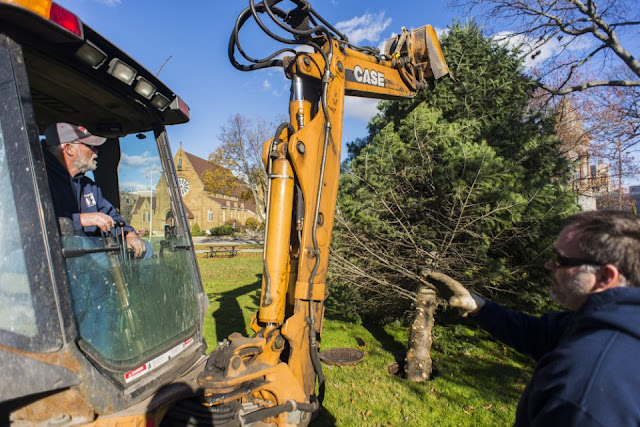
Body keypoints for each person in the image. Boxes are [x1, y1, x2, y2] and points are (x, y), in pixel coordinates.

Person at [426, 210, 640, 426]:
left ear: (605, 276)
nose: (548, 265)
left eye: (559, 260)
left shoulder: (584, 388)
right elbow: (538, 333)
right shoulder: (612, 321)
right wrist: (479, 307)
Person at [42, 122, 147, 258]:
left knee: (147, 251)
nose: (97, 151)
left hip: (87, 260)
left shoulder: (88, 186)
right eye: (91, 147)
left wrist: (128, 233)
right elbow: (31, 225)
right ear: (69, 149)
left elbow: (111, 216)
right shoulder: (38, 181)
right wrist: (79, 220)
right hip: (52, 259)